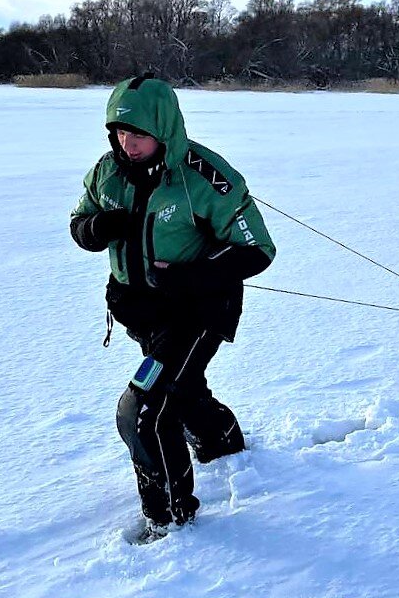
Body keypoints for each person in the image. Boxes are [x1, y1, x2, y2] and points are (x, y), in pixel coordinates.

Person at [70, 74, 276, 542]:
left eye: (138, 134)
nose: (128, 143)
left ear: (162, 130)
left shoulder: (204, 178)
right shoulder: (107, 172)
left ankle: (170, 517)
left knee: (143, 410)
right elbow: (79, 221)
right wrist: (97, 228)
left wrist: (189, 276)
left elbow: (257, 249)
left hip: (199, 312)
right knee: (180, 387)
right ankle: (223, 444)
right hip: (143, 312)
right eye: (119, 133)